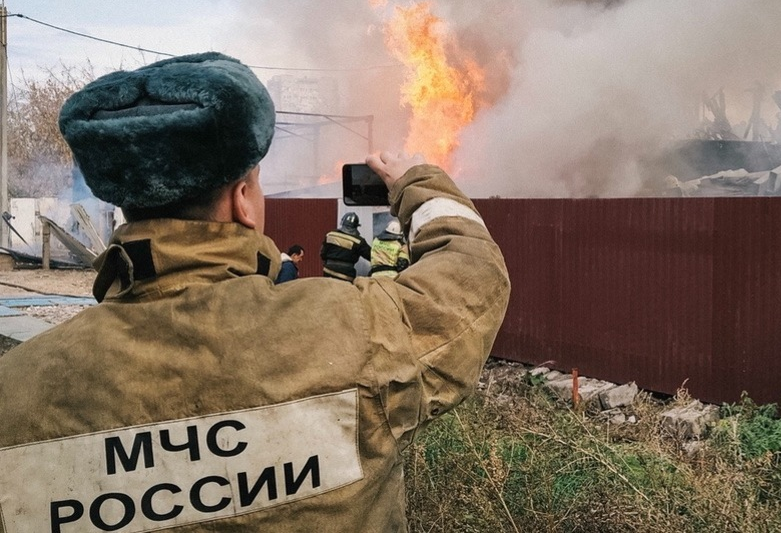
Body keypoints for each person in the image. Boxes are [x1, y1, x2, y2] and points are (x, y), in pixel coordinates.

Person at [0, 52, 510, 532]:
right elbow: (472, 276)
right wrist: (418, 184)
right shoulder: (353, 331)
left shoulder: (15, 390)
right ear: (243, 199)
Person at [320, 211, 371, 281]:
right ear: (356, 226)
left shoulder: (330, 235)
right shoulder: (359, 241)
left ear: (343, 222)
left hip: (328, 271)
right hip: (346, 274)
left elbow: (322, 254)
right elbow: (371, 256)